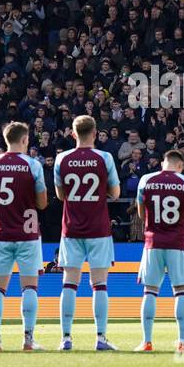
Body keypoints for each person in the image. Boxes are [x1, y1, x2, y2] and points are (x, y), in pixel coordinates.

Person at [54, 115, 121, 351]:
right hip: (98, 228)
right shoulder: (104, 158)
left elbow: (61, 195)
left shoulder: (62, 159)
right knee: (99, 284)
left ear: (73, 134)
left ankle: (66, 338)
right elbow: (115, 192)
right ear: (94, 133)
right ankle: (101, 338)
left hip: (71, 227)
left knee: (69, 283)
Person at [0, 120, 47, 351]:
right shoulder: (33, 165)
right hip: (27, 234)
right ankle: (28, 339)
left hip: (1, 233)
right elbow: (42, 203)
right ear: (25, 140)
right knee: (29, 287)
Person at [134, 149, 184, 353]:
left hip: (153, 241)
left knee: (150, 292)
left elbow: (141, 213)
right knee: (181, 291)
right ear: (180, 165)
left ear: (164, 162)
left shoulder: (146, 179)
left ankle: (147, 341)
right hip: (177, 242)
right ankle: (183, 341)